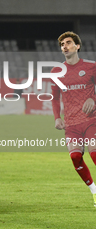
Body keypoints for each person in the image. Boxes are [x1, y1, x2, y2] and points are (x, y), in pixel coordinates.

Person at [51, 31, 96, 207]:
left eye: (68, 43)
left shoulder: (92, 67)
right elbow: (54, 98)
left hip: (91, 120)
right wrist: (57, 118)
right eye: (62, 44)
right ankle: (94, 190)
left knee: (94, 154)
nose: (65, 46)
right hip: (71, 124)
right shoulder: (57, 71)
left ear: (77, 46)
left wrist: (94, 99)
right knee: (76, 157)